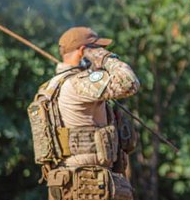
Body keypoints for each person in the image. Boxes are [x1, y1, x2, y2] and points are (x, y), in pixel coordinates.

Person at [28, 26, 140, 200]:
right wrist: (106, 58)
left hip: (68, 185)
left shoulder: (52, 86)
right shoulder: (78, 84)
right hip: (90, 184)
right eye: (97, 48)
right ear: (83, 51)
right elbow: (128, 82)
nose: (102, 51)